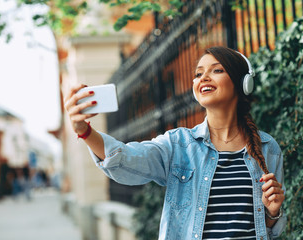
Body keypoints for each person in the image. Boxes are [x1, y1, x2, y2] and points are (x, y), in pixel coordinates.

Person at [64, 46, 286, 239]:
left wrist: (272, 213)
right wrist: (85, 132)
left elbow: (268, 229)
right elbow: (126, 160)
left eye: (216, 70)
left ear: (243, 83)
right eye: (199, 74)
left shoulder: (268, 149)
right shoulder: (178, 145)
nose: (204, 78)